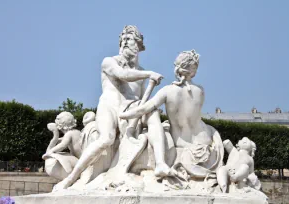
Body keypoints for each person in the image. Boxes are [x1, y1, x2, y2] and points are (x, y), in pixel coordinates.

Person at [53, 26, 170, 190]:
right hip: (109, 106)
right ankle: (71, 178)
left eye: (130, 40)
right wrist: (149, 74)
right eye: (123, 40)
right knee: (106, 138)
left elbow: (143, 100)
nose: (125, 43)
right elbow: (123, 75)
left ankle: (160, 164)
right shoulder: (109, 61)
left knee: (152, 113)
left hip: (129, 109)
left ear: (139, 45)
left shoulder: (141, 72)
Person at [120, 50, 224, 179]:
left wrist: (122, 115)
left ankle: (160, 164)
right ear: (194, 71)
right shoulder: (200, 91)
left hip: (182, 143)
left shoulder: (168, 91)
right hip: (205, 143)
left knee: (152, 114)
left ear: (177, 67)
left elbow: (143, 109)